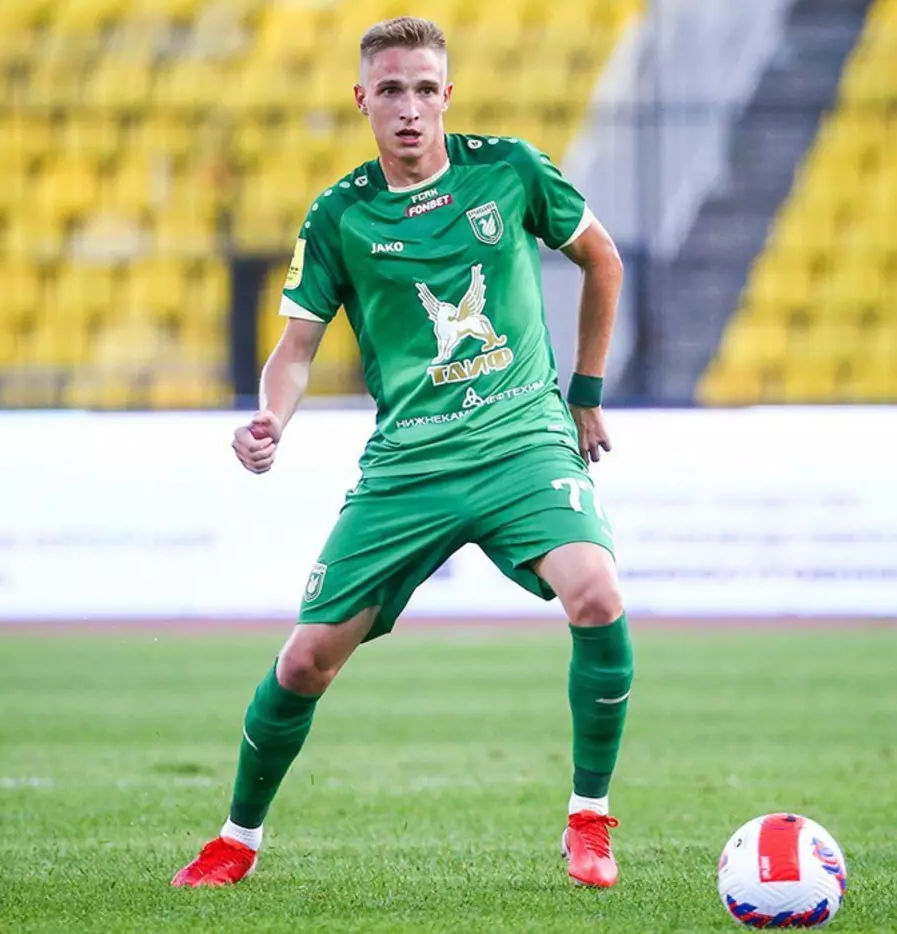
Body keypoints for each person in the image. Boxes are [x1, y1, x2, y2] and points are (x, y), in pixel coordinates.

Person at [173, 16, 632, 890]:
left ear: (448, 95)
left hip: (521, 444)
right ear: (363, 101)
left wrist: (585, 393)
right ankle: (236, 839)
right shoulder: (340, 214)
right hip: (408, 467)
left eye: (425, 89)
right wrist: (271, 418)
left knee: (599, 595)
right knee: (305, 661)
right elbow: (296, 350)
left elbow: (601, 260)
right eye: (391, 90)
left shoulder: (510, 171)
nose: (410, 108)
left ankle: (589, 819)